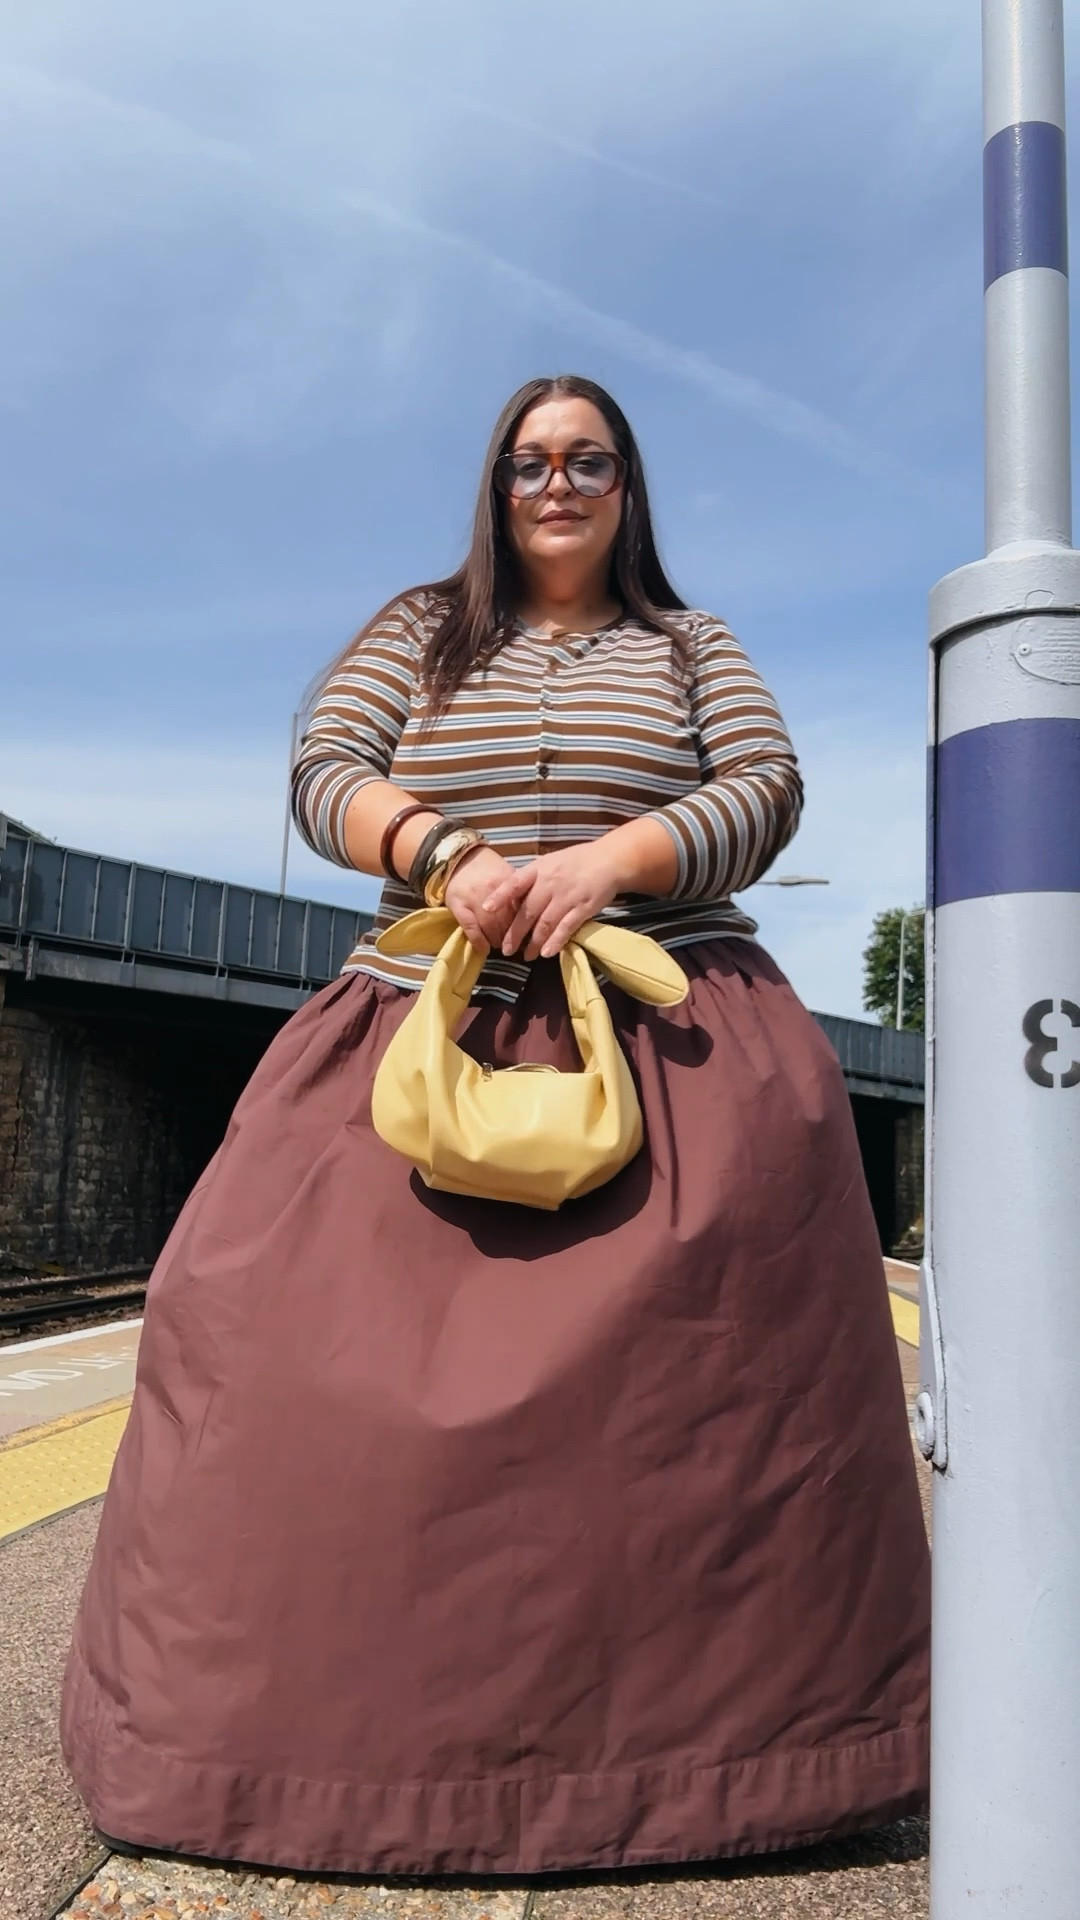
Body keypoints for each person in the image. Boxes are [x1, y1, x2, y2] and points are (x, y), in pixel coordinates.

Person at [61, 374, 930, 1878]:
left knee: (719, 1392)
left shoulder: (692, 643)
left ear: (629, 484)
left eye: (590, 459)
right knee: (248, 1313)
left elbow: (767, 786)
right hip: (420, 1006)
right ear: (496, 482)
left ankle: (754, 1757)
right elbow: (326, 768)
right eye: (531, 461)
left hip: (672, 1016)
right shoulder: (418, 628)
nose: (558, 483)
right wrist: (447, 853)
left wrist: (609, 863)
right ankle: (261, 1748)